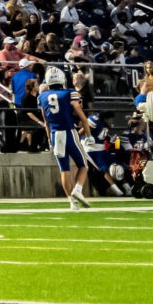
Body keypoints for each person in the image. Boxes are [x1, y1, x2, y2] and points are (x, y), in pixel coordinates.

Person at [38, 66, 92, 209]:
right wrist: (89, 135)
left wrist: (49, 140)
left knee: (64, 169)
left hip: (55, 134)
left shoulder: (42, 96)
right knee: (83, 165)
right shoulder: (70, 93)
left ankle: (72, 202)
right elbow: (82, 117)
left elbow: (46, 122)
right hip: (69, 132)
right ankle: (78, 190)